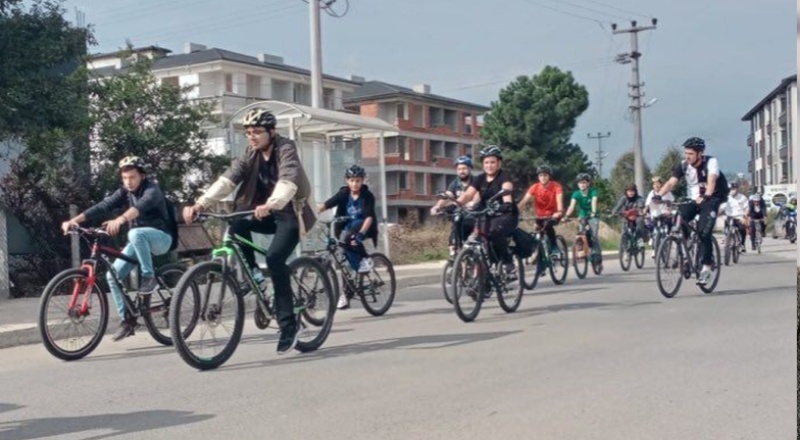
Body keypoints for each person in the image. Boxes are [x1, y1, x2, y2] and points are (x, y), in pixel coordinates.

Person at [182, 108, 316, 355]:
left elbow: (289, 179)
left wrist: (272, 204)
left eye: (257, 132)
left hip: (288, 214)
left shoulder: (286, 149)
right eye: (248, 133)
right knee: (237, 225)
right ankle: (255, 275)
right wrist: (201, 203)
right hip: (260, 212)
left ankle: (288, 327)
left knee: (275, 258)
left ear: (271, 132)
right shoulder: (249, 153)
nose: (252, 137)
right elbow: (229, 179)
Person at [60, 156, 173, 341]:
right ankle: (127, 321)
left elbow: (139, 207)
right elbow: (103, 205)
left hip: (161, 238)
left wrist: (120, 219)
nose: (128, 182)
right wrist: (75, 221)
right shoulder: (125, 191)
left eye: (133, 177)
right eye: (125, 178)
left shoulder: (153, 190)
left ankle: (149, 277)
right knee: (112, 276)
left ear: (142, 176)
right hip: (139, 240)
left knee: (135, 233)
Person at [654, 136, 728, 285]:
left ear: (700, 153)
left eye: (691, 154)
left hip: (712, 198)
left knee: (704, 232)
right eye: (685, 153)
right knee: (679, 217)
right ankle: (686, 248)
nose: (687, 156)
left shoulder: (711, 162)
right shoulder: (683, 166)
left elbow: (712, 180)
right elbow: (671, 182)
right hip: (693, 199)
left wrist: (707, 195)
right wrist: (658, 196)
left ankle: (707, 266)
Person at [318, 164, 378, 310]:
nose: (354, 184)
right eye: (351, 180)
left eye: (357, 180)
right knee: (344, 262)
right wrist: (311, 214)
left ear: (362, 180)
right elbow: (327, 204)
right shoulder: (344, 193)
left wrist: (362, 233)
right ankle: (346, 294)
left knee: (351, 237)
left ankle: (366, 258)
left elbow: (369, 217)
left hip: (362, 224)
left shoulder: (367, 196)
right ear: (347, 181)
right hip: (344, 227)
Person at [455, 145, 518, 276]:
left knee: (493, 232)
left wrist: (505, 204)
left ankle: (508, 262)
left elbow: (507, 191)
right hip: (486, 215)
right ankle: (483, 274)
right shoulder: (480, 178)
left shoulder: (504, 177)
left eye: (492, 162)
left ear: (499, 163)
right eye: (486, 162)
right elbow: (467, 195)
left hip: (505, 215)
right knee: (474, 237)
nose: (489, 165)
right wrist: (457, 203)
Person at [430, 156, 475, 258]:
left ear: (469, 169)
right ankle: (454, 262)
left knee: (472, 245)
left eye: (464, 168)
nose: (461, 171)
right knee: (453, 241)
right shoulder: (455, 183)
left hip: (474, 218)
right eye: (459, 169)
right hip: (460, 217)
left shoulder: (475, 182)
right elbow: (448, 195)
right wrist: (437, 206)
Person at [517, 164, 564, 257]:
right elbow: (524, 201)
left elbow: (559, 200)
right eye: (541, 175)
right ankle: (539, 250)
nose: (543, 177)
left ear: (549, 176)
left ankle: (554, 247)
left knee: (548, 226)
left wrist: (559, 211)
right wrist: (515, 211)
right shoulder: (535, 187)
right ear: (538, 177)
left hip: (553, 215)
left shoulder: (556, 186)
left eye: (545, 175)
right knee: (536, 230)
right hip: (540, 215)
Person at [564, 173, 599, 258]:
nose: (582, 185)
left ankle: (596, 252)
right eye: (580, 183)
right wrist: (566, 216)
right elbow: (572, 206)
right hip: (582, 215)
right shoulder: (576, 194)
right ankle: (582, 250)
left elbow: (594, 202)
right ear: (577, 184)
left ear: (588, 183)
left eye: (584, 182)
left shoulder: (593, 191)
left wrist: (593, 212)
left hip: (593, 216)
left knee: (593, 235)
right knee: (581, 233)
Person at [644, 176, 675, 257]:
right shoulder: (651, 193)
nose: (656, 186)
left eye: (658, 184)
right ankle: (654, 248)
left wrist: (669, 209)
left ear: (662, 185)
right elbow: (647, 204)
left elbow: (672, 202)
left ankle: (667, 237)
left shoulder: (667, 193)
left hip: (665, 214)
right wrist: (644, 210)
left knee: (669, 224)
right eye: (654, 184)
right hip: (655, 214)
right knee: (652, 229)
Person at [612, 183, 646, 248]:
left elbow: (641, 208)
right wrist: (614, 212)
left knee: (640, 221)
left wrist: (639, 211)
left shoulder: (639, 199)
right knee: (624, 231)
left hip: (636, 217)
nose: (631, 193)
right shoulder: (623, 198)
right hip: (627, 217)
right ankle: (624, 250)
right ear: (626, 192)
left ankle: (639, 239)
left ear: (635, 191)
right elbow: (617, 207)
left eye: (632, 191)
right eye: (629, 191)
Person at [723, 182, 749, 252]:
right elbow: (721, 207)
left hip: (739, 216)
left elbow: (747, 208)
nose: (732, 190)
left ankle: (742, 244)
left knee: (742, 229)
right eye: (731, 189)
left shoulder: (742, 197)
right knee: (726, 229)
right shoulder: (726, 197)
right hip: (729, 216)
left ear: (737, 189)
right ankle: (727, 240)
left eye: (734, 189)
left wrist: (745, 216)